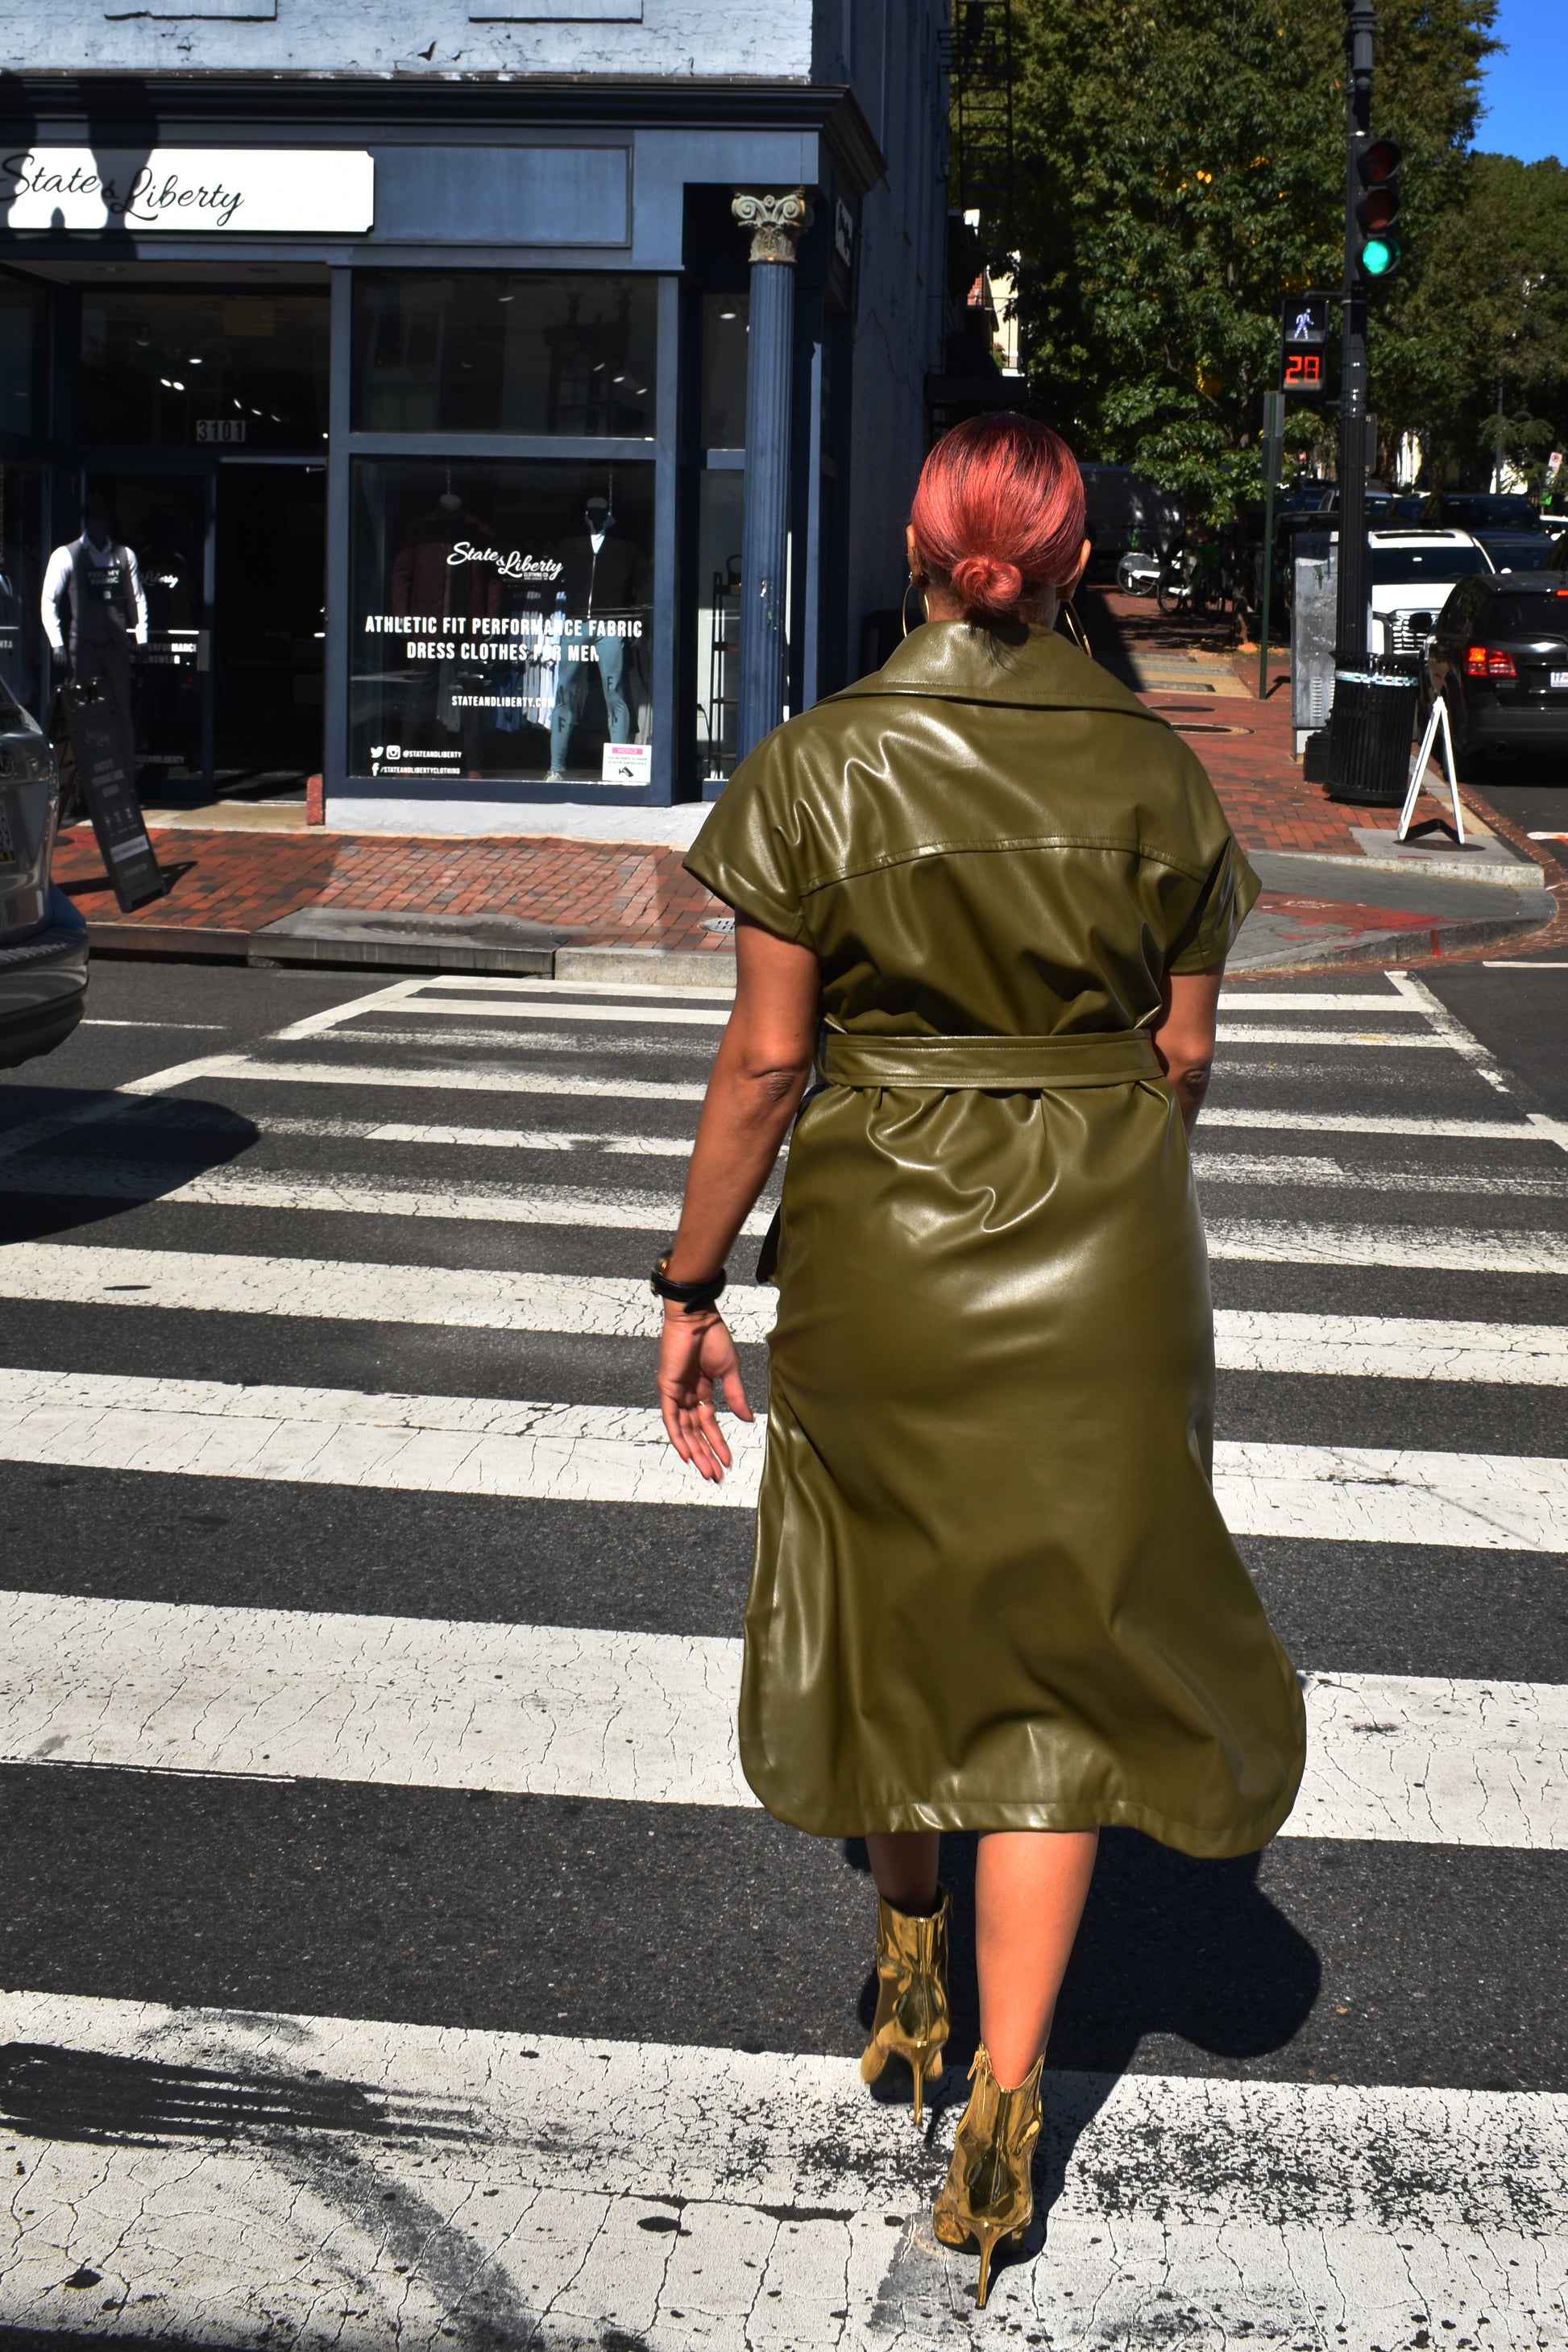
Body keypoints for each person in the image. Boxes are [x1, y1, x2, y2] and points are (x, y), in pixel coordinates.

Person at [653, 412, 1306, 2310]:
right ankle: (1007, 2106)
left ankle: (907, 1946)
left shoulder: (821, 761)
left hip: (882, 1250)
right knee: (1059, 1672)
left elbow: (768, 1063)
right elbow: (1182, 1058)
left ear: (925, 547)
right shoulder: (1153, 776)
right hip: (1103, 1252)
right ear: (1076, 558)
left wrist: (690, 1281)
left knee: (885, 1605)